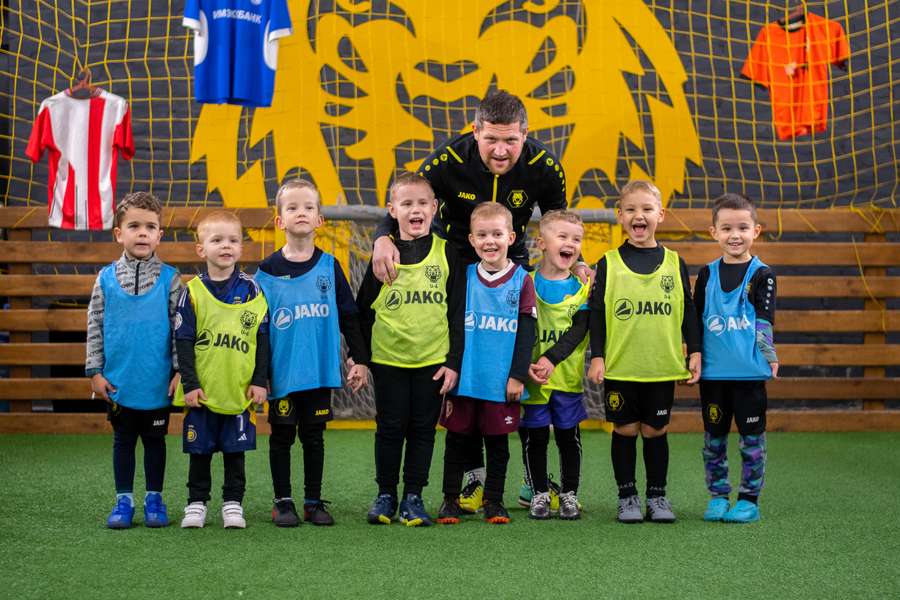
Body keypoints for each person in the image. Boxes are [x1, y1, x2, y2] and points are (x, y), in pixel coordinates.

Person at [371, 90, 586, 512]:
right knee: (468, 366)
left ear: (526, 134)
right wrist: (382, 235)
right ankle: (472, 478)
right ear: (475, 131)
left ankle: (532, 480)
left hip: (513, 262)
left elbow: (560, 223)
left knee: (514, 364)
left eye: (511, 140)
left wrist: (578, 261)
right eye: (491, 140)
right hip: (458, 262)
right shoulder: (448, 159)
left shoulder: (545, 167)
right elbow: (407, 198)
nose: (501, 150)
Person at [255, 178, 370, 527]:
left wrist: (359, 359)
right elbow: (258, 330)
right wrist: (260, 377)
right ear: (280, 221)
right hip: (283, 374)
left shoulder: (329, 267)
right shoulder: (266, 272)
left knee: (314, 437)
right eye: (292, 208)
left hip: (319, 372)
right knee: (282, 436)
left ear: (320, 219)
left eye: (308, 207)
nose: (301, 213)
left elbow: (349, 315)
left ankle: (313, 500)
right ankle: (282, 501)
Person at [585, 180, 702, 524]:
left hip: (661, 366)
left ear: (660, 215)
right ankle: (627, 496)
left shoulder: (674, 262)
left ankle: (657, 496)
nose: (640, 216)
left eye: (647, 209)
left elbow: (689, 310)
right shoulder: (607, 263)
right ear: (619, 216)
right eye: (631, 210)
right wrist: (597, 355)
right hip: (621, 366)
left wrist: (694, 351)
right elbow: (596, 313)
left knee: (654, 431)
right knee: (624, 430)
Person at [357, 172, 464, 527]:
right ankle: (385, 494)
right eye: (406, 204)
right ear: (392, 210)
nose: (415, 210)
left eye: (422, 203)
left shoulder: (447, 253)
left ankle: (414, 496)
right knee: (389, 429)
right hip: (388, 362)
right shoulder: (382, 258)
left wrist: (453, 363)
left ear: (434, 208)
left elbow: (456, 314)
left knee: (422, 431)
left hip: (432, 364)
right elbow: (361, 310)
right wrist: (360, 359)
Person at [436, 203, 537, 525]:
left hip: (500, 381)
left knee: (497, 445)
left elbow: (526, 334)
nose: (490, 241)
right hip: (465, 378)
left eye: (497, 234)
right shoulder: (464, 277)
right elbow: (451, 324)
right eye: (482, 235)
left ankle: (494, 501)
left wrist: (518, 376)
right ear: (471, 239)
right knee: (456, 441)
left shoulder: (522, 281)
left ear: (511, 236)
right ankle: (450, 499)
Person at [86, 192, 182, 529]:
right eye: (134, 226)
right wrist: (94, 372)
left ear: (160, 235)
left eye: (150, 227)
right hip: (118, 384)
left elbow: (178, 329)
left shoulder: (172, 280)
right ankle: (123, 500)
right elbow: (94, 325)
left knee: (156, 442)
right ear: (118, 233)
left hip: (156, 383)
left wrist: (179, 370)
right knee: (123, 442)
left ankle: (154, 497)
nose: (142, 233)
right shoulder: (106, 279)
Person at [174, 211, 269, 529]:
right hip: (203, 388)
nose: (226, 246)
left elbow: (263, 339)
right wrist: (190, 383)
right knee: (199, 451)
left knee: (235, 450)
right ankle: (196, 503)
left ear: (241, 248)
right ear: (201, 249)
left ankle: (233, 504)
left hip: (238, 388)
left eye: (233, 240)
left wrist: (259, 381)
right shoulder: (193, 292)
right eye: (217, 240)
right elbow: (183, 341)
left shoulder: (253, 291)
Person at [694, 193, 777, 524]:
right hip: (714, 377)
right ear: (713, 232)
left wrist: (768, 353)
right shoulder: (706, 274)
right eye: (726, 228)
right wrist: (694, 357)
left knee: (751, 441)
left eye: (743, 227)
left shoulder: (762, 274)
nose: (735, 235)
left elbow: (765, 317)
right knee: (713, 441)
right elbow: (696, 319)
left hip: (749, 376)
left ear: (755, 231)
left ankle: (748, 499)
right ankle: (717, 496)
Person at [524, 210, 592, 520]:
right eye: (562, 237)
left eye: (576, 239)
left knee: (568, 436)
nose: (570, 243)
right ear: (542, 242)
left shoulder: (582, 288)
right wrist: (525, 364)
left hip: (566, 379)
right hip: (533, 379)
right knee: (535, 437)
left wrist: (551, 359)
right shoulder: (526, 282)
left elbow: (579, 330)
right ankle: (539, 493)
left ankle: (569, 493)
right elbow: (518, 328)